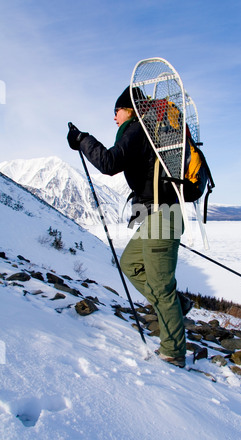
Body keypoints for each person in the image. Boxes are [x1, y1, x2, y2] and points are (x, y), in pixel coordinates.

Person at [67, 86, 191, 368]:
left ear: (130, 110)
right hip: (156, 215)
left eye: (116, 111)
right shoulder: (147, 131)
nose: (114, 118)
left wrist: (82, 139)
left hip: (163, 216)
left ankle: (173, 353)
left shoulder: (138, 129)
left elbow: (109, 163)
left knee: (161, 286)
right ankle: (176, 306)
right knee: (131, 263)